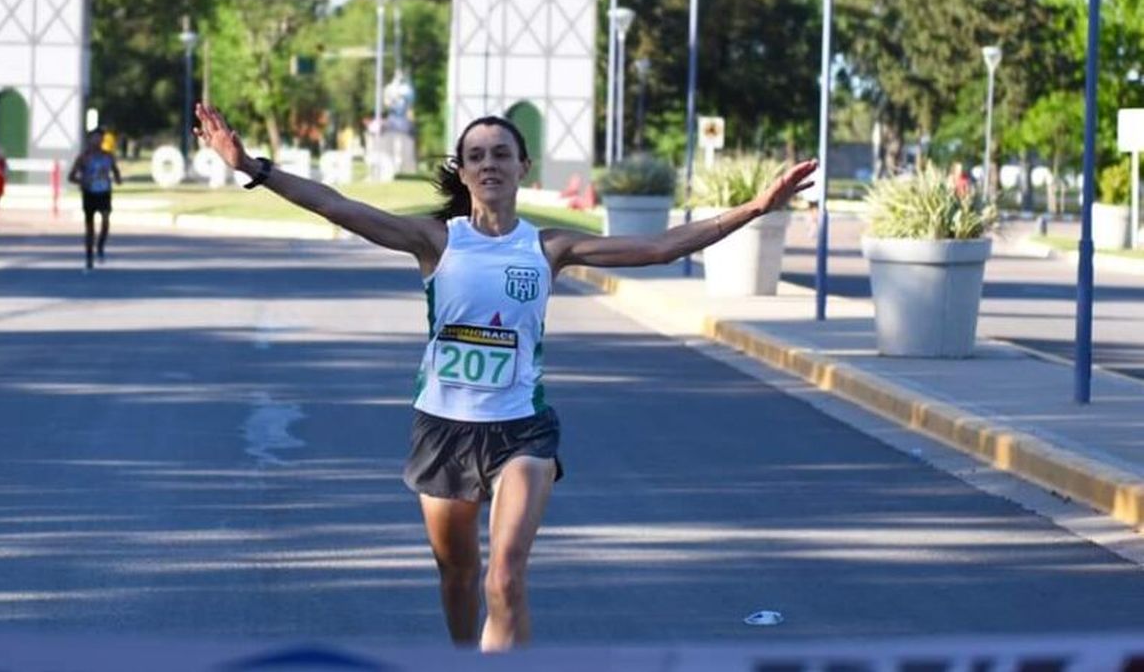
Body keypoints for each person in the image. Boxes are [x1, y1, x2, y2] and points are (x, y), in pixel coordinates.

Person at [194, 103, 815, 652]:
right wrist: (252, 165)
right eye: (475, 156)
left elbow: (660, 247)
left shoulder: (549, 248)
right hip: (443, 431)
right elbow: (337, 205)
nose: (488, 164)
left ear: (523, 166)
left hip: (522, 432)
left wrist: (758, 206)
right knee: (458, 576)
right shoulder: (436, 241)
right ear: (462, 173)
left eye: (501, 154)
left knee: (504, 576)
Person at [68, 127, 121, 269]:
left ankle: (100, 246)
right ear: (90, 139)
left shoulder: (107, 156)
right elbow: (71, 176)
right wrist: (82, 181)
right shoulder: (84, 157)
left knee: (105, 221)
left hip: (104, 192)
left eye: (100, 138)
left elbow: (115, 171)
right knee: (89, 228)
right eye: (95, 138)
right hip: (89, 193)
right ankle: (89, 256)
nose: (97, 141)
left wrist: (117, 179)